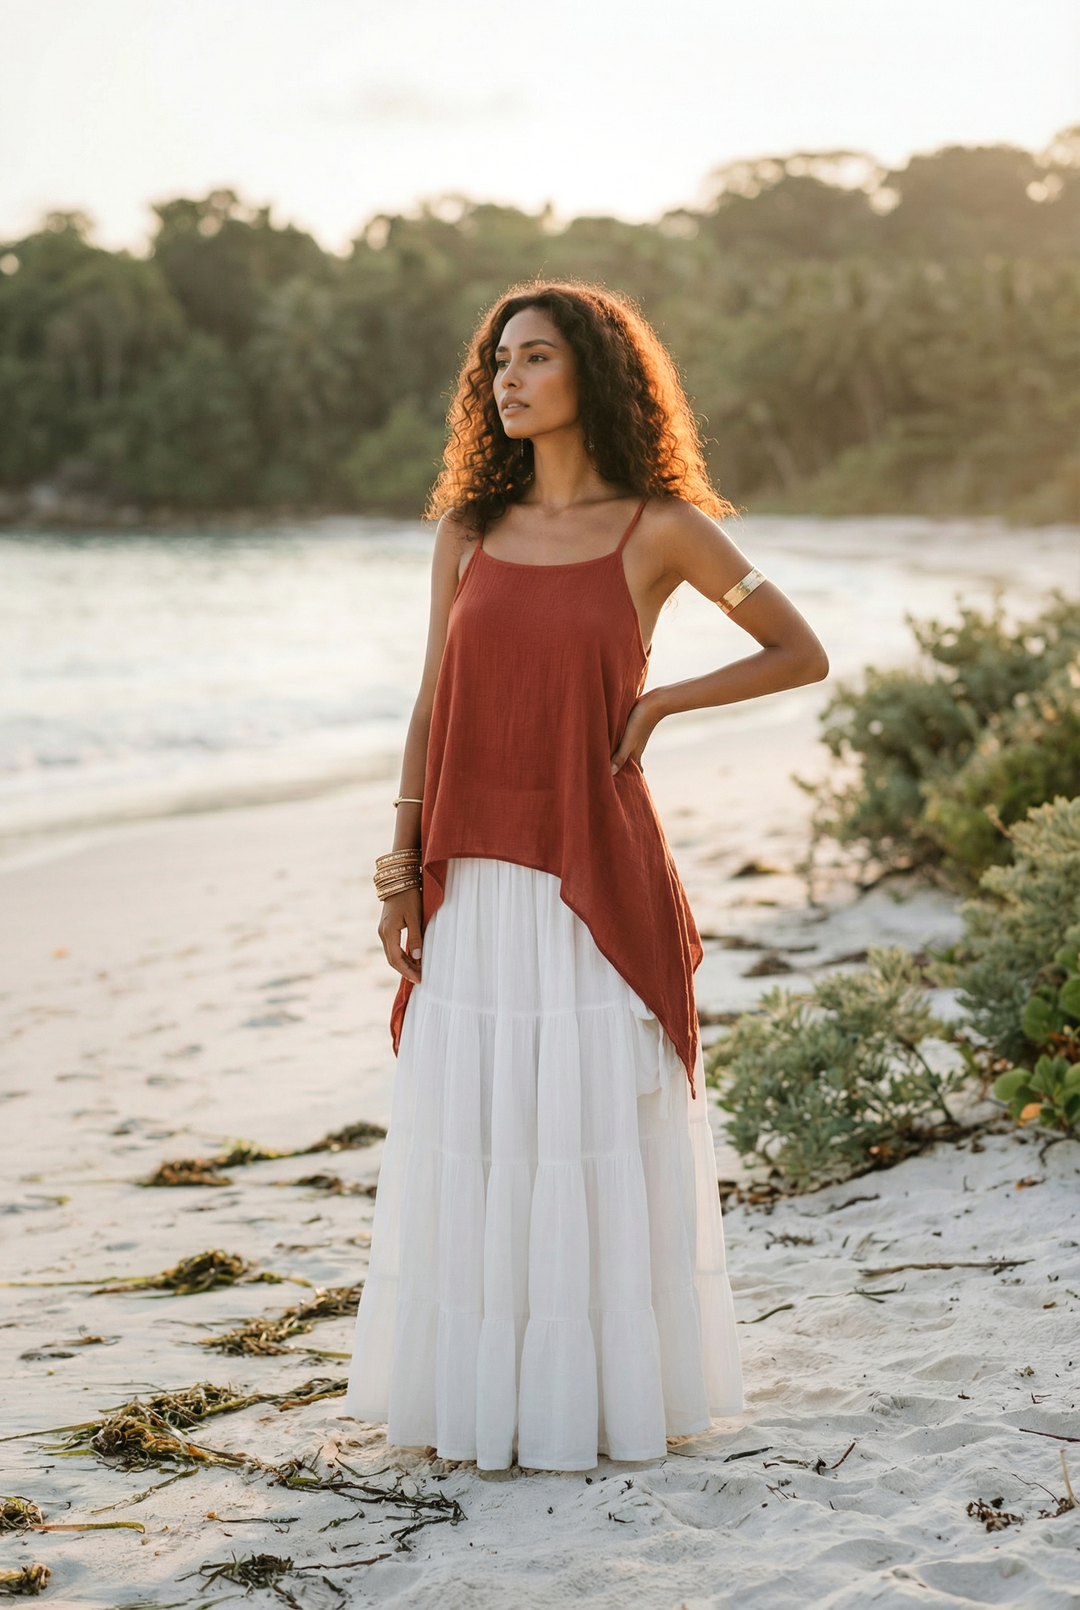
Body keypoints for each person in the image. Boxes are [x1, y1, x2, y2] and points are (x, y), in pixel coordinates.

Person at [345, 281, 828, 1471]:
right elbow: (433, 701)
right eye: (497, 360)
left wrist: (664, 698)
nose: (508, 378)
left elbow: (797, 649)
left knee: (585, 1135)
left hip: (590, 880)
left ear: (594, 375)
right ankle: (483, 1399)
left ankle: (590, 1400)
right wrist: (399, 860)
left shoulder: (661, 526)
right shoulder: (467, 529)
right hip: (475, 875)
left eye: (537, 356)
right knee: (486, 1136)